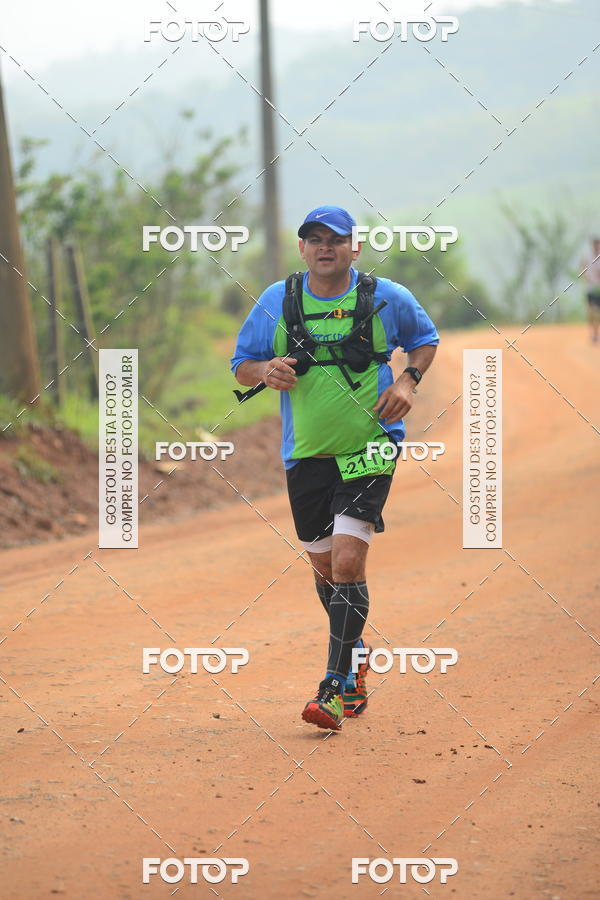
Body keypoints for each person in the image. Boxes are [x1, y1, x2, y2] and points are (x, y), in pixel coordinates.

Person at [231, 205, 439, 731]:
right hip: (305, 453)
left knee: (347, 565)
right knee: (326, 573)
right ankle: (358, 656)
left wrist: (406, 381)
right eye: (315, 239)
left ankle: (333, 686)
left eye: (336, 239)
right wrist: (266, 370)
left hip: (371, 446)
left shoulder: (388, 297)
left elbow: (425, 339)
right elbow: (242, 363)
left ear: (355, 247)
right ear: (302, 249)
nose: (326, 247)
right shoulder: (277, 301)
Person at [582, 237, 600, 343]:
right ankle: (594, 333)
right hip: (590, 289)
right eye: (595, 245)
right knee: (591, 312)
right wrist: (586, 277)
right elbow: (582, 269)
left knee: (597, 313)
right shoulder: (587, 258)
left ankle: (595, 333)